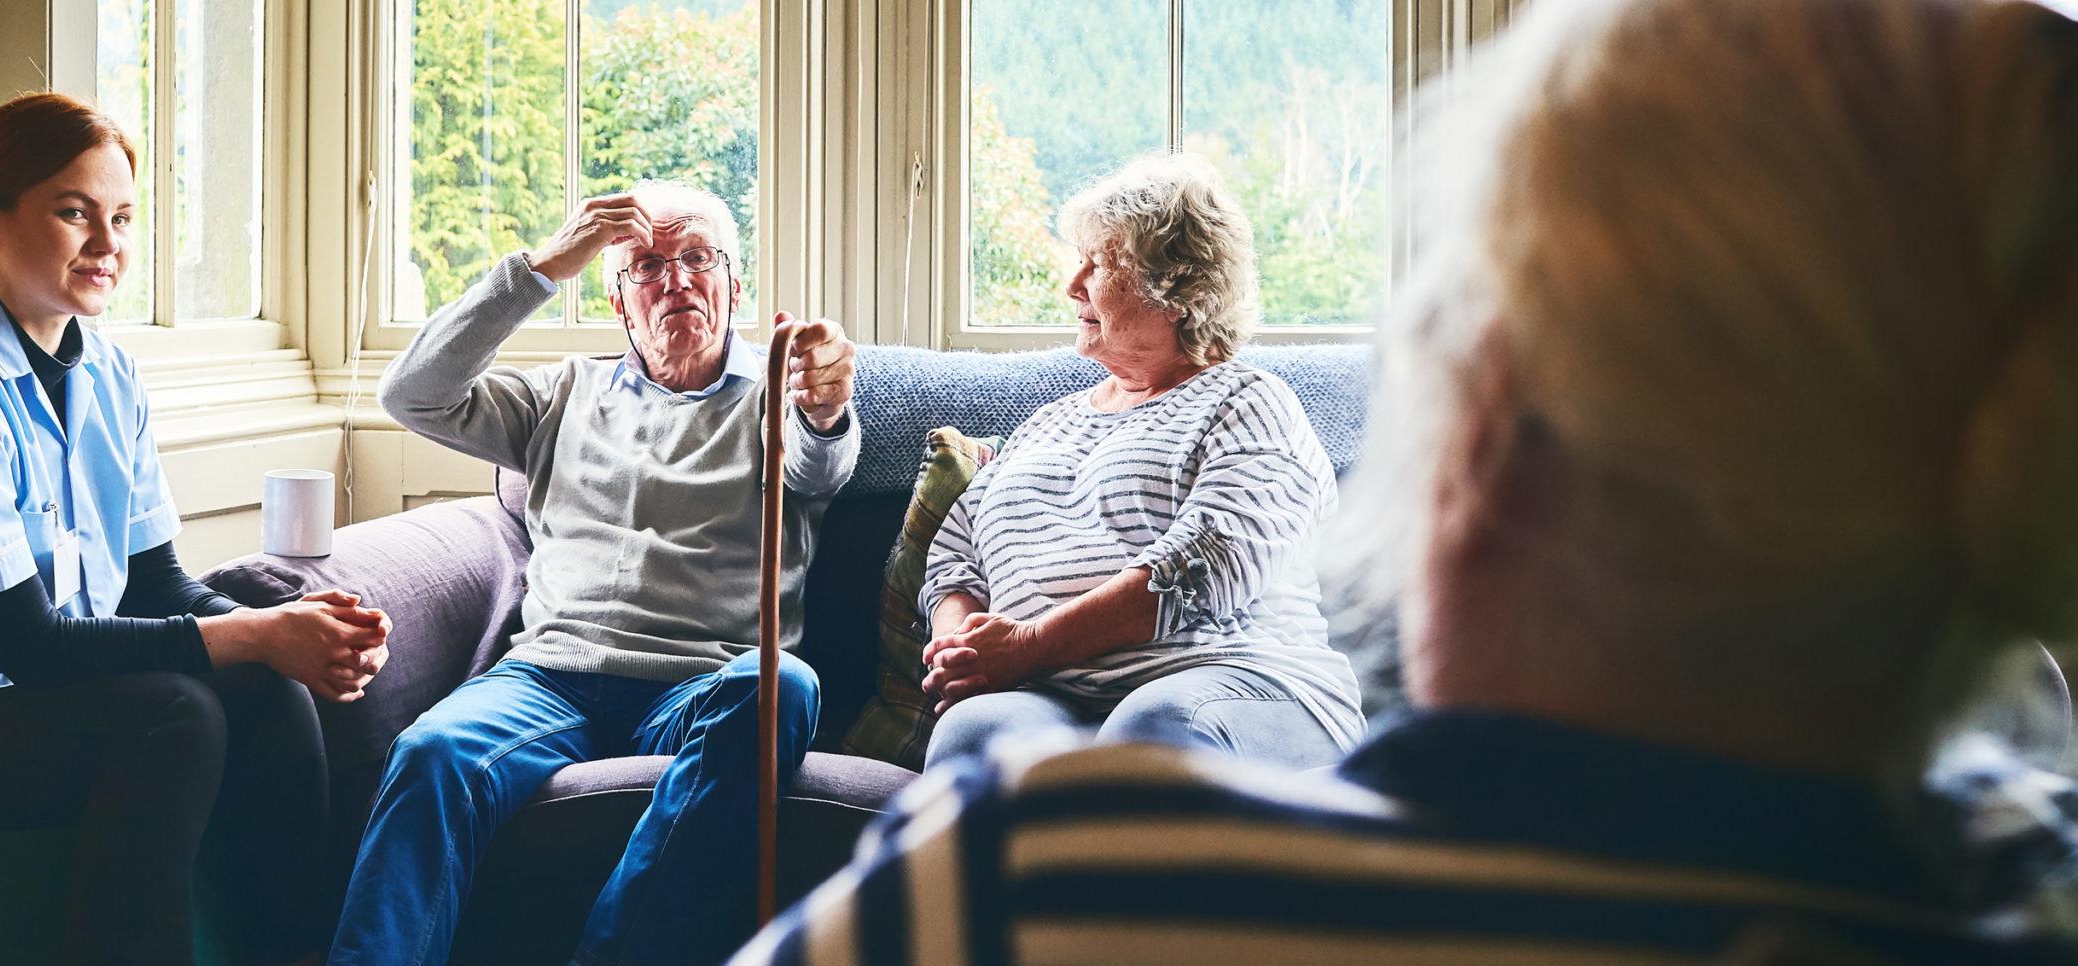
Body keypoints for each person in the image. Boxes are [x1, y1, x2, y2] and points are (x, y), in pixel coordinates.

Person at [734, 0, 2078, 961]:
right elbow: (966, 526)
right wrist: (970, 622)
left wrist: (1023, 673)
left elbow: (1218, 567)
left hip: (1204, 686)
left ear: (1486, 429)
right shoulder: (2030, 871)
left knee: (1116, 740)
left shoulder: (1030, 877)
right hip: (1032, 694)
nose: (1075, 286)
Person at [0, 92, 391, 966]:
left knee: (265, 691)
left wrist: (297, 635)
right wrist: (250, 632)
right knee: (173, 717)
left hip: (13, 697)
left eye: (122, 217)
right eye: (73, 212)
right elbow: (35, 647)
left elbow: (154, 583)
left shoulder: (109, 372)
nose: (108, 244)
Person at [330, 180, 860, 966]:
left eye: (697, 258)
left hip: (702, 687)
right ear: (619, 304)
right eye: (647, 266)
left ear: (735, 285)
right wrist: (543, 265)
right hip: (552, 679)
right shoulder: (564, 394)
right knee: (431, 751)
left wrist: (825, 403)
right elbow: (413, 395)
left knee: (785, 685)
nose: (676, 280)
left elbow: (824, 460)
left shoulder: (783, 394)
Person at [918, 153, 1364, 769]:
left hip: (1237, 678)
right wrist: (959, 647)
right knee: (975, 738)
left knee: (1153, 732)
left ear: (1177, 291)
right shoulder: (1048, 423)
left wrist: (1026, 644)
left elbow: (1204, 566)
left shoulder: (1250, 402)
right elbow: (954, 557)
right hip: (1053, 691)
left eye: (1097, 264)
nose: (1072, 284)